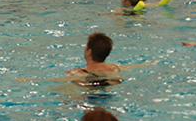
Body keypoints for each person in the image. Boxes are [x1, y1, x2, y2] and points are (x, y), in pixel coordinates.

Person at [17, 33, 150, 86]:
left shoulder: (78, 73)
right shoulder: (114, 68)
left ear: (89, 52)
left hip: (89, 94)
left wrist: (30, 80)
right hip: (110, 87)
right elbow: (136, 66)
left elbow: (56, 81)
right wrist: (148, 63)